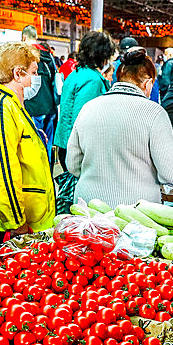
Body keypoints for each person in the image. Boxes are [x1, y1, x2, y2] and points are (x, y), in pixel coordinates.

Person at [67, 47, 173, 207]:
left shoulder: (88, 107)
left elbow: (72, 164)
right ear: (148, 83)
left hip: (88, 208)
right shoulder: (154, 113)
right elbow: (172, 174)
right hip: (135, 214)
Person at [0, 42, 56, 250]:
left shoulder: (14, 105)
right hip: (4, 225)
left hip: (22, 218)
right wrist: (16, 222)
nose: (37, 79)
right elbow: (2, 171)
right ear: (18, 73)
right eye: (34, 72)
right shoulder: (0, 110)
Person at [52, 30, 116, 213]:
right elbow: (84, 119)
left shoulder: (76, 74)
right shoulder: (93, 80)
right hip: (77, 148)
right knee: (82, 203)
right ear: (101, 55)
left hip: (65, 142)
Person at [20, 26, 59, 147]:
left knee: (35, 145)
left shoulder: (24, 55)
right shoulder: (48, 56)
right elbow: (55, 79)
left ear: (24, 37)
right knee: (48, 144)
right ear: (36, 37)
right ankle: (48, 166)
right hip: (50, 106)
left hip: (32, 107)